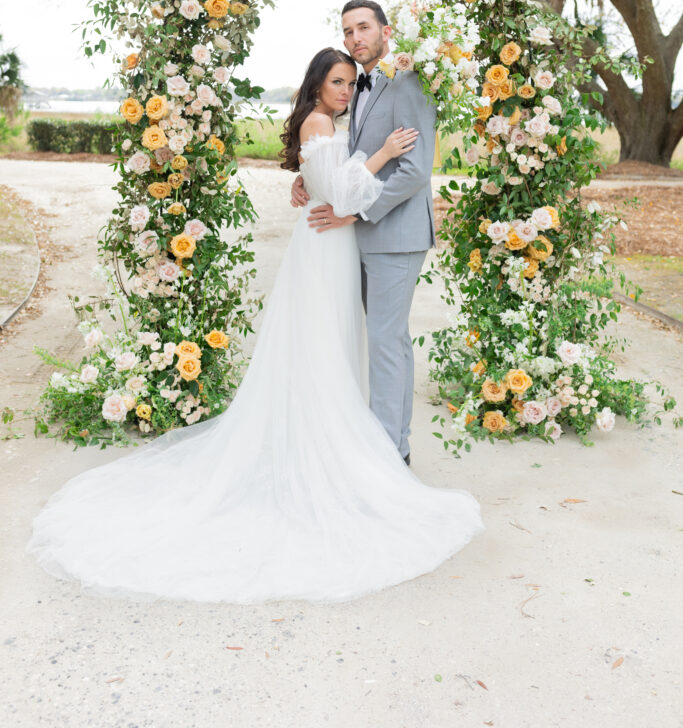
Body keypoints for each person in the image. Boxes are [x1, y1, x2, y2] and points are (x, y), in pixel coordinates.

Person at [26, 47, 483, 604]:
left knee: (338, 346)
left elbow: (327, 182)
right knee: (321, 346)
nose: (344, 90)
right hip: (324, 246)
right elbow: (341, 192)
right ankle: (328, 447)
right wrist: (381, 155)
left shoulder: (333, 120)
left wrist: (321, 183)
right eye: (335, 82)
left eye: (347, 82)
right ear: (317, 85)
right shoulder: (321, 121)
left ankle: (350, 440)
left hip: (334, 244)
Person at [291, 0, 435, 466]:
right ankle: (395, 443)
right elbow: (349, 153)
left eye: (364, 28)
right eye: (348, 30)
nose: (356, 38)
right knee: (388, 341)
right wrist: (310, 177)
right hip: (367, 237)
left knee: (386, 344)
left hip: (396, 233)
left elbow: (414, 171)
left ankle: (390, 456)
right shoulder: (362, 86)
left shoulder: (407, 82)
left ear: (386, 31)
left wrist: (355, 212)